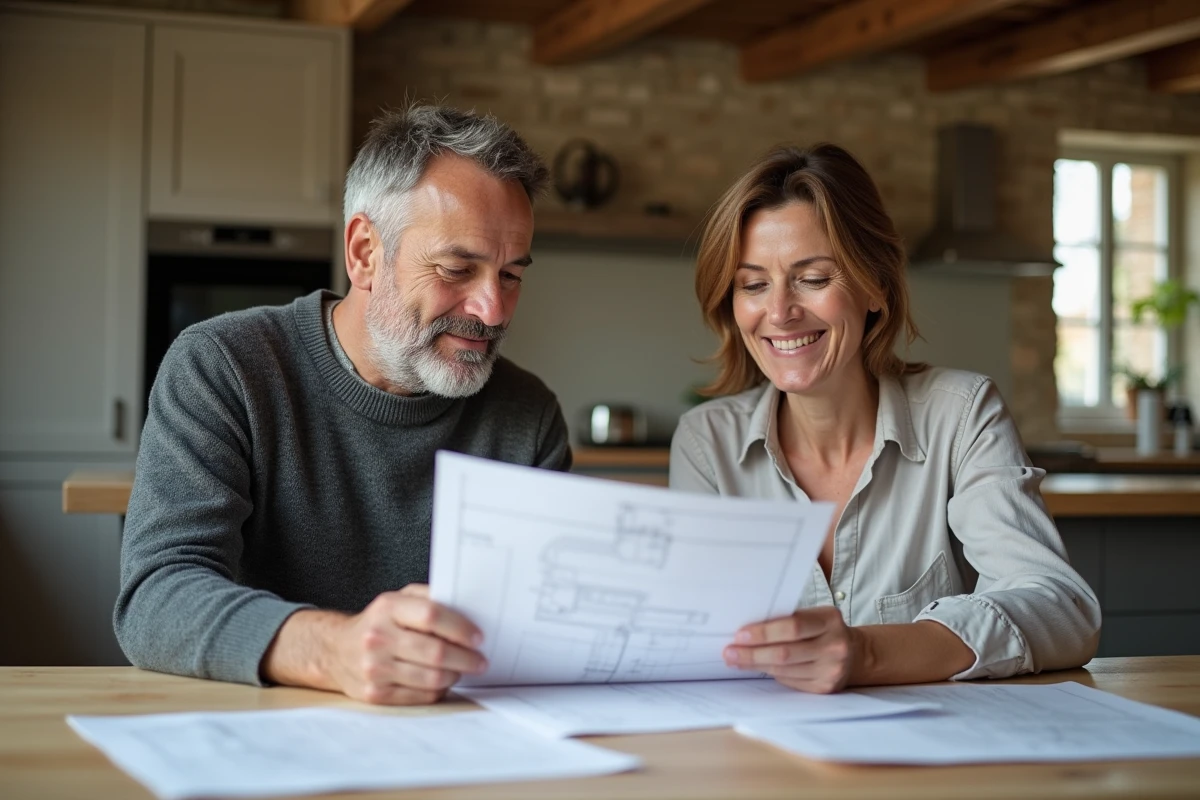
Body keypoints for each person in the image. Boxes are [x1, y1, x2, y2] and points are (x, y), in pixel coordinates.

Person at [115, 106, 571, 705]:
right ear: (363, 253)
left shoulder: (528, 414)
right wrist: (333, 649)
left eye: (511, 275)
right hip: (259, 727)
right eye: (457, 268)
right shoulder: (225, 367)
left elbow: (549, 620)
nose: (493, 309)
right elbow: (156, 596)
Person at [670, 143, 1100, 693]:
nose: (779, 312)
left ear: (874, 284)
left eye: (814, 278)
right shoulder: (706, 443)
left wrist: (867, 653)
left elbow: (1062, 609)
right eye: (753, 285)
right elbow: (688, 633)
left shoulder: (962, 414)